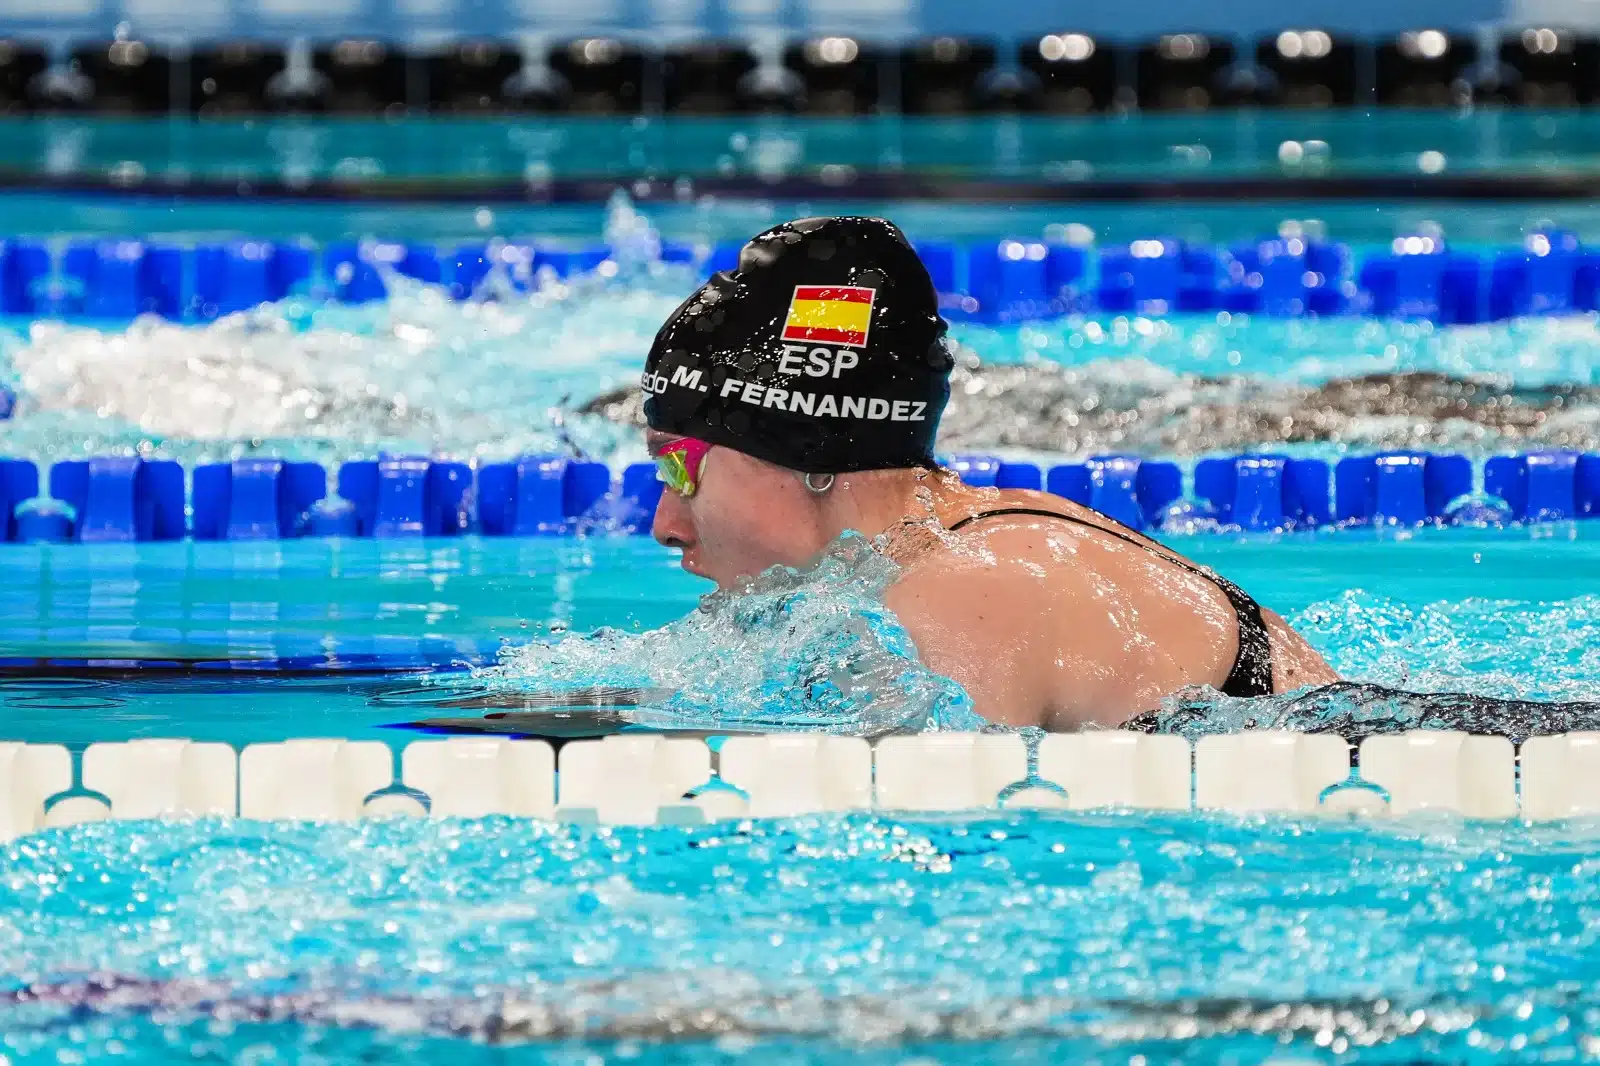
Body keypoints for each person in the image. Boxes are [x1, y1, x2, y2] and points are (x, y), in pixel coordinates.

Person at [640, 216, 1339, 731]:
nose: (664, 524)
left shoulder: (967, 592)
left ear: (808, 455)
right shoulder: (959, 542)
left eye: (678, 466)